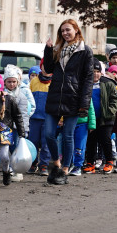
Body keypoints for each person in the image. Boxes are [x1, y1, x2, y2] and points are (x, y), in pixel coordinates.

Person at [41, 19, 94, 184]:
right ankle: (56, 162)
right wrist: (48, 50)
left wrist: (84, 104)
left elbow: (88, 79)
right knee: (49, 133)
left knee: (68, 136)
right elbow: (48, 69)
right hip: (55, 97)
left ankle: (64, 170)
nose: (65, 33)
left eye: (68, 30)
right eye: (62, 31)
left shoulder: (85, 51)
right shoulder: (57, 49)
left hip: (74, 99)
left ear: (76, 30)